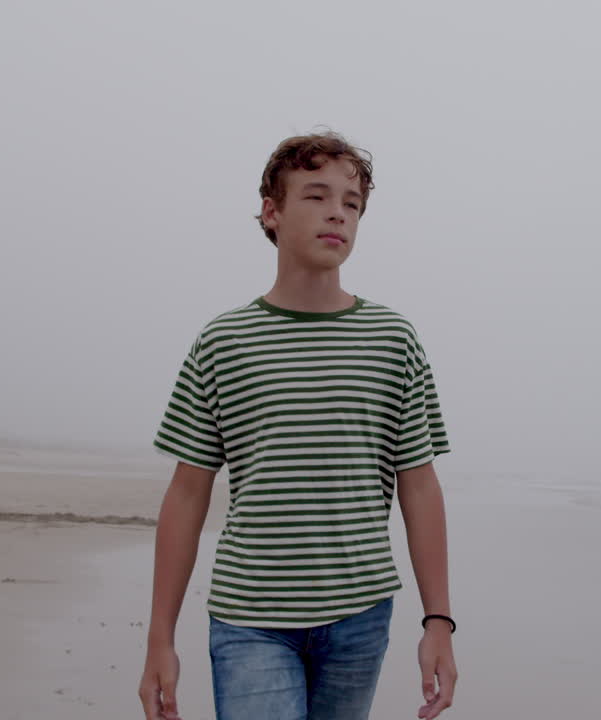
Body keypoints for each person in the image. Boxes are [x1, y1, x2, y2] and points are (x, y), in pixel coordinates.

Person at [139, 131, 457, 720]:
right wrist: (161, 637)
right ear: (272, 212)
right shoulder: (222, 342)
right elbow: (187, 493)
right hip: (249, 618)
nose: (338, 211)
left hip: (360, 618)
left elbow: (419, 484)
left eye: (352, 202)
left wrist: (438, 622)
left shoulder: (393, 339)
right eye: (316, 196)